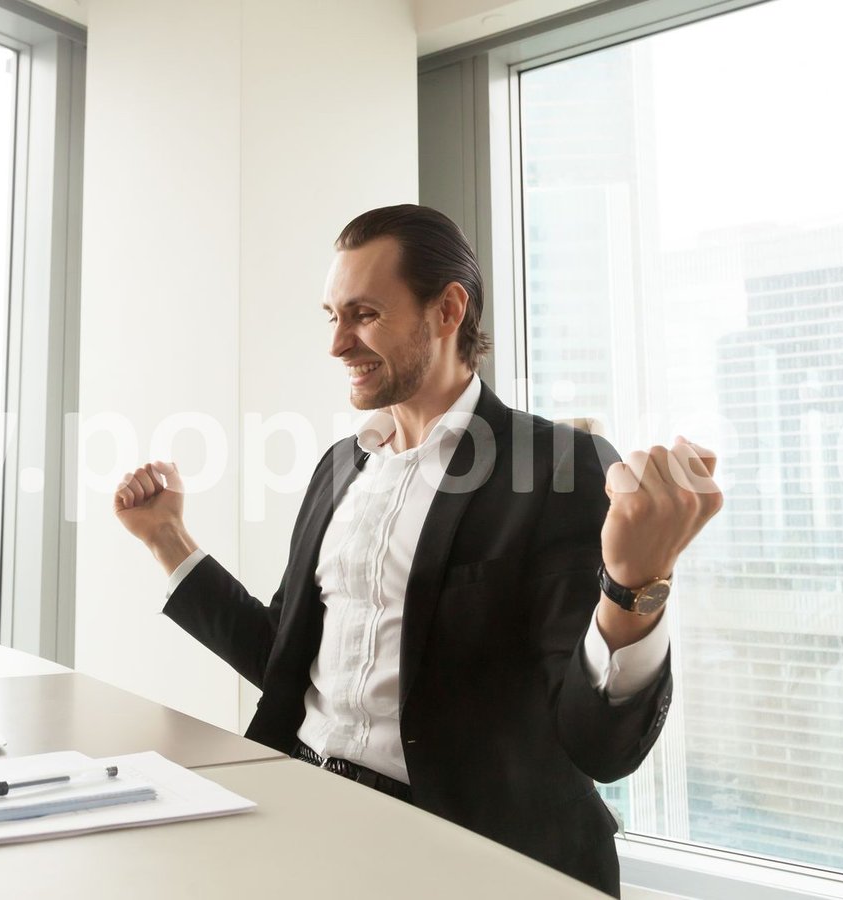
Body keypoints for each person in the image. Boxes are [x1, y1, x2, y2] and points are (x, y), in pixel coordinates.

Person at [114, 204, 721, 896]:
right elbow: (285, 658)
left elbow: (600, 745)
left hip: (468, 860)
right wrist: (168, 539)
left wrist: (634, 586)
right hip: (310, 821)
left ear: (448, 310)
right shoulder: (340, 467)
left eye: (364, 315)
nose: (337, 344)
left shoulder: (555, 465)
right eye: (331, 315)